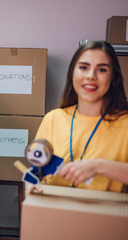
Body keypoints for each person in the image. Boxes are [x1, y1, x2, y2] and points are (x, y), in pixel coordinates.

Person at [26, 40, 128, 196]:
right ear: (72, 72)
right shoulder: (53, 119)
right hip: (54, 213)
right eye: (83, 67)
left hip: (104, 216)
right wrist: (30, 180)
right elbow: (37, 168)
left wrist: (97, 166)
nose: (90, 76)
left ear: (113, 77)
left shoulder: (125, 124)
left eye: (101, 70)